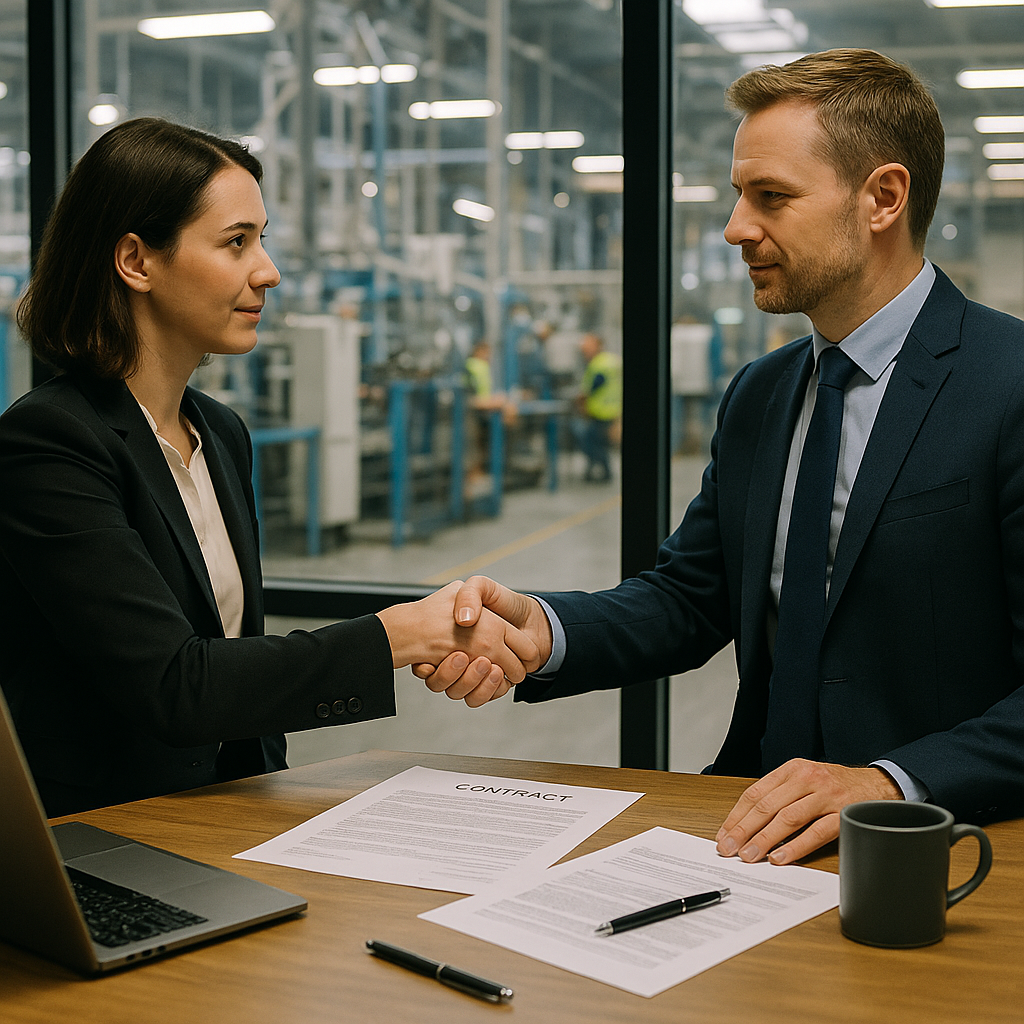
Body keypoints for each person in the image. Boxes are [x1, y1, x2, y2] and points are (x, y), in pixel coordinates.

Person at [417, 49, 1024, 865]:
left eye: (770, 197)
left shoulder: (1008, 385)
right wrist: (545, 630)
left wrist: (887, 781)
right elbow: (692, 597)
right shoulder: (764, 393)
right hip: (750, 828)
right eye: (739, 195)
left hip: (933, 846)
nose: (736, 226)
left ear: (883, 197)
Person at [0, 118, 532, 817]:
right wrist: (402, 634)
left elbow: (238, 672)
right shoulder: (49, 445)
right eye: (236, 242)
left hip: (219, 823)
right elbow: (174, 685)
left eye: (262, 237)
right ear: (136, 261)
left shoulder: (219, 433)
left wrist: (267, 812)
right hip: (99, 844)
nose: (268, 270)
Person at [573, 333, 621, 482]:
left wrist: (581, 399)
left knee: (592, 442)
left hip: (601, 412)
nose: (584, 351)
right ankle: (597, 471)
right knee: (597, 442)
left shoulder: (599, 364)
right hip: (612, 409)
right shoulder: (612, 360)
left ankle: (603, 472)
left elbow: (593, 387)